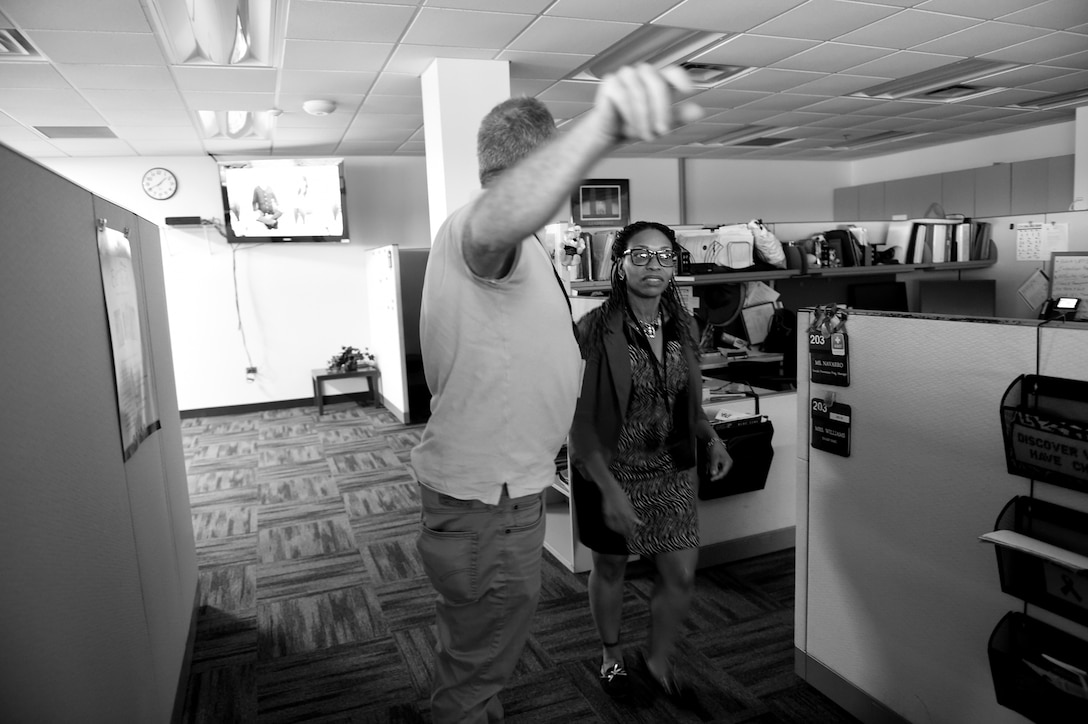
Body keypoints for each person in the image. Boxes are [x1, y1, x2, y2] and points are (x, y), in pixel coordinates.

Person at [411, 65, 705, 723]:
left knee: (479, 662)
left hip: (498, 495)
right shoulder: (482, 234)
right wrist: (603, 126)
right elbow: (502, 217)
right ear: (542, 163)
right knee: (474, 674)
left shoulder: (521, 253)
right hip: (486, 503)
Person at [569, 220, 733, 703]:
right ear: (618, 265)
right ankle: (612, 657)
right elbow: (577, 422)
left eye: (664, 256)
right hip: (610, 470)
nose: (653, 266)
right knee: (613, 568)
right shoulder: (594, 330)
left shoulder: (684, 325)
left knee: (680, 573)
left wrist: (712, 436)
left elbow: (685, 397)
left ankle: (658, 660)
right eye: (640, 255)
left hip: (671, 469)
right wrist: (609, 488)